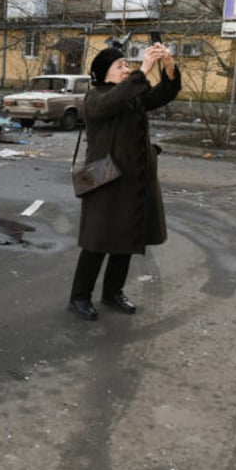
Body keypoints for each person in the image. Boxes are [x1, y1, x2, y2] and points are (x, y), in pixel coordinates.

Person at [68, 43, 181, 320]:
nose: (126, 69)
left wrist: (167, 66)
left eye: (127, 65)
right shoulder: (95, 99)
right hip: (104, 179)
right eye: (120, 66)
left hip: (133, 180)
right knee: (97, 241)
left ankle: (112, 293)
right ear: (104, 74)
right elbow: (114, 100)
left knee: (126, 239)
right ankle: (79, 297)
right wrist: (143, 70)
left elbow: (163, 93)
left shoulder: (131, 96)